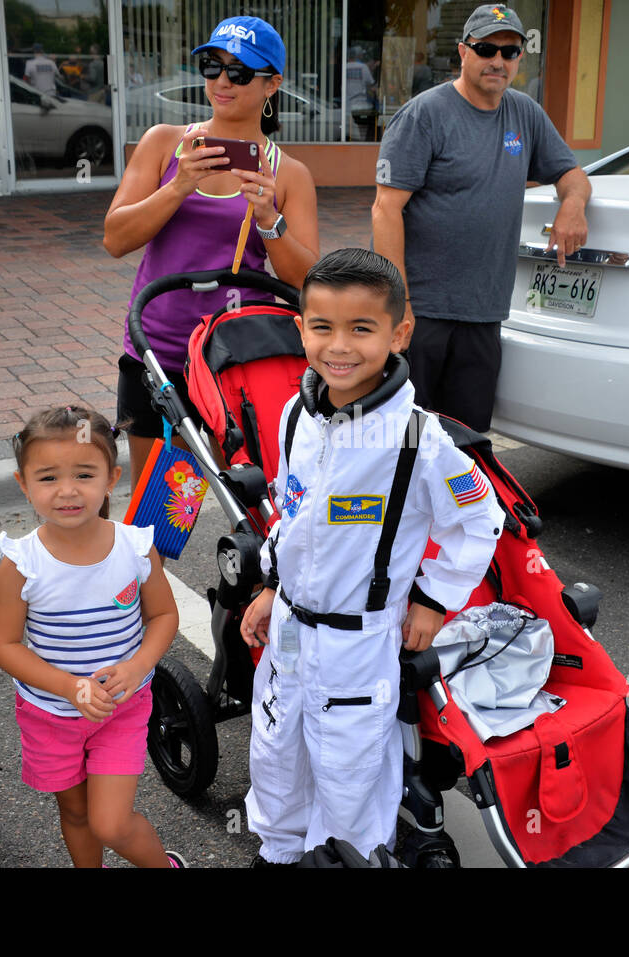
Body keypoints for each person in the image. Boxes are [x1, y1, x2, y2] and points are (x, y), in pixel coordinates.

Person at [238, 248, 504, 865]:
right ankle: (278, 853)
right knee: (276, 754)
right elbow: (291, 517)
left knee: (349, 773)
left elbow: (479, 522)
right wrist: (273, 587)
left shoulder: (417, 438)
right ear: (299, 328)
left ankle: (350, 857)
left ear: (398, 332)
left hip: (359, 643)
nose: (340, 346)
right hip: (290, 631)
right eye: (322, 327)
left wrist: (434, 602)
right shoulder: (293, 416)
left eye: (362, 329)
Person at [104, 15, 318, 494]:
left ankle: (256, 570)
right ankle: (153, 568)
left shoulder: (289, 173)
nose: (222, 81)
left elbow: (304, 280)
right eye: (212, 65)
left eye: (240, 72)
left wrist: (269, 220)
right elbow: (115, 238)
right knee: (162, 502)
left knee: (251, 495)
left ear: (272, 85)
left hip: (234, 357)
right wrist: (179, 185)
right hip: (157, 352)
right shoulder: (165, 142)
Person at [372, 3, 591, 433]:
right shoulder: (425, 115)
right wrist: (400, 305)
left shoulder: (524, 114)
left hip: (485, 314)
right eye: (487, 48)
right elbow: (385, 209)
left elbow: (572, 173)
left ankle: (457, 504)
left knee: (468, 438)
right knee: (408, 437)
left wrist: (573, 203)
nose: (498, 60)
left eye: (509, 52)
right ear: (463, 52)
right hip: (423, 315)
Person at [0, 406, 184, 868]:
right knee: (75, 813)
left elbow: (163, 616)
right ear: (23, 484)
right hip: (49, 713)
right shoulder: (21, 563)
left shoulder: (135, 547)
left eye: (84, 474)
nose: (68, 491)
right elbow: (4, 645)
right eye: (48, 477)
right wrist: (70, 687)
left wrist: (137, 668)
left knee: (110, 823)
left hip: (121, 708)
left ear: (111, 477)